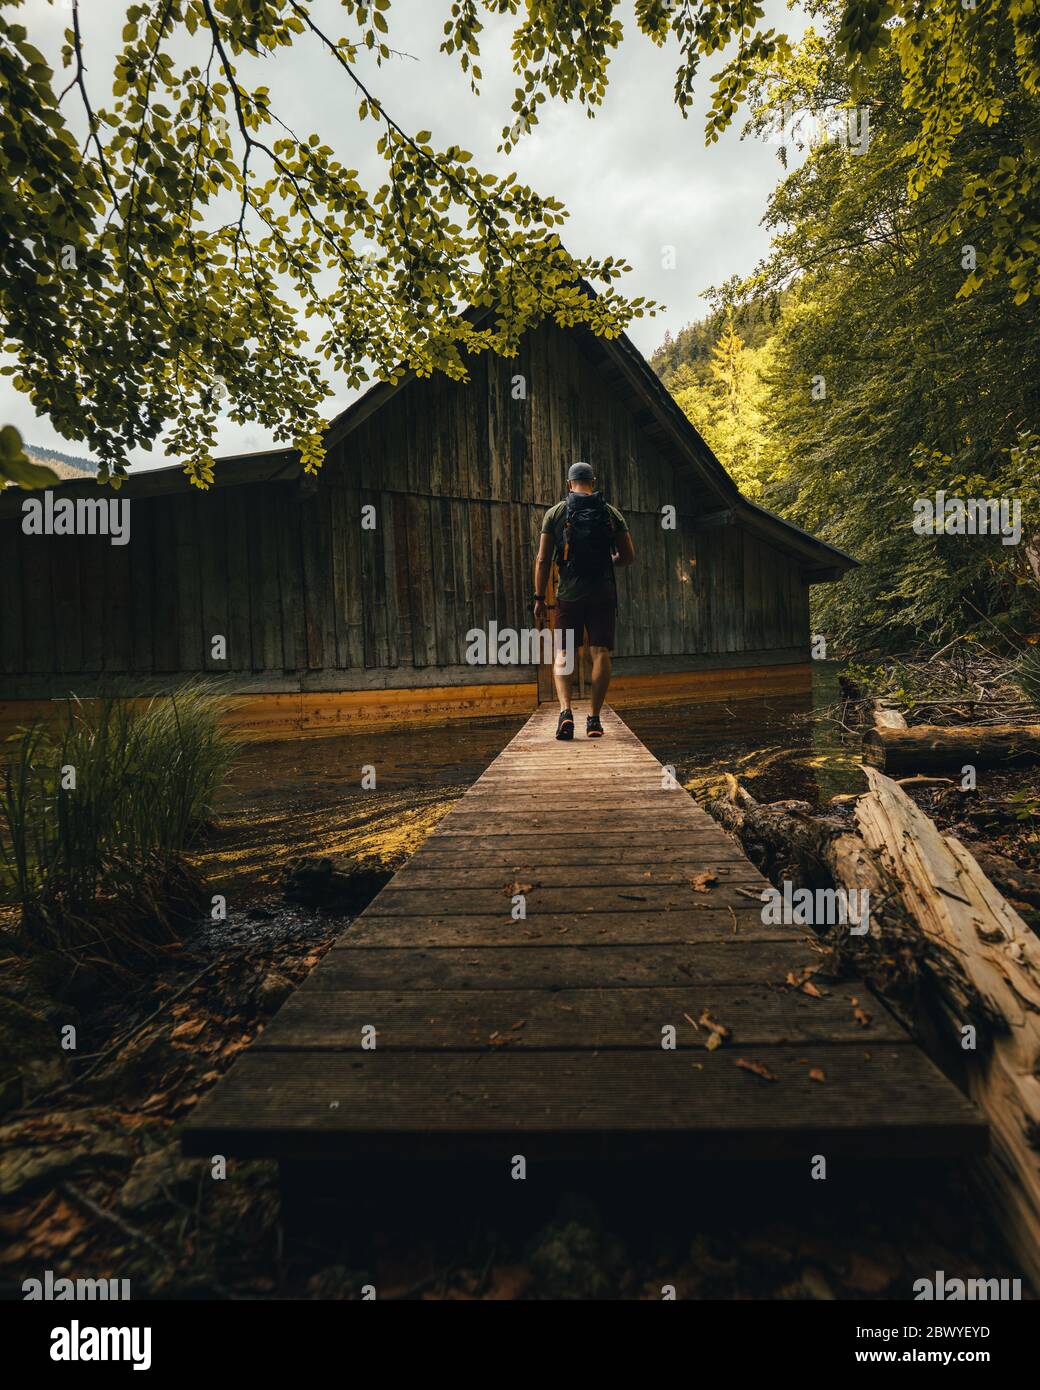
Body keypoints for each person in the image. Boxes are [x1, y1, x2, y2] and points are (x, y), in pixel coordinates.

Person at [532, 461, 636, 740]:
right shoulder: (610, 513)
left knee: (563, 654)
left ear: (569, 484)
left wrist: (539, 597)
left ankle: (566, 713)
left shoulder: (556, 513)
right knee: (600, 653)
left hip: (568, 596)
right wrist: (611, 560)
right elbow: (628, 556)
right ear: (593, 481)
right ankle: (594, 719)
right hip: (603, 593)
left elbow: (542, 560)